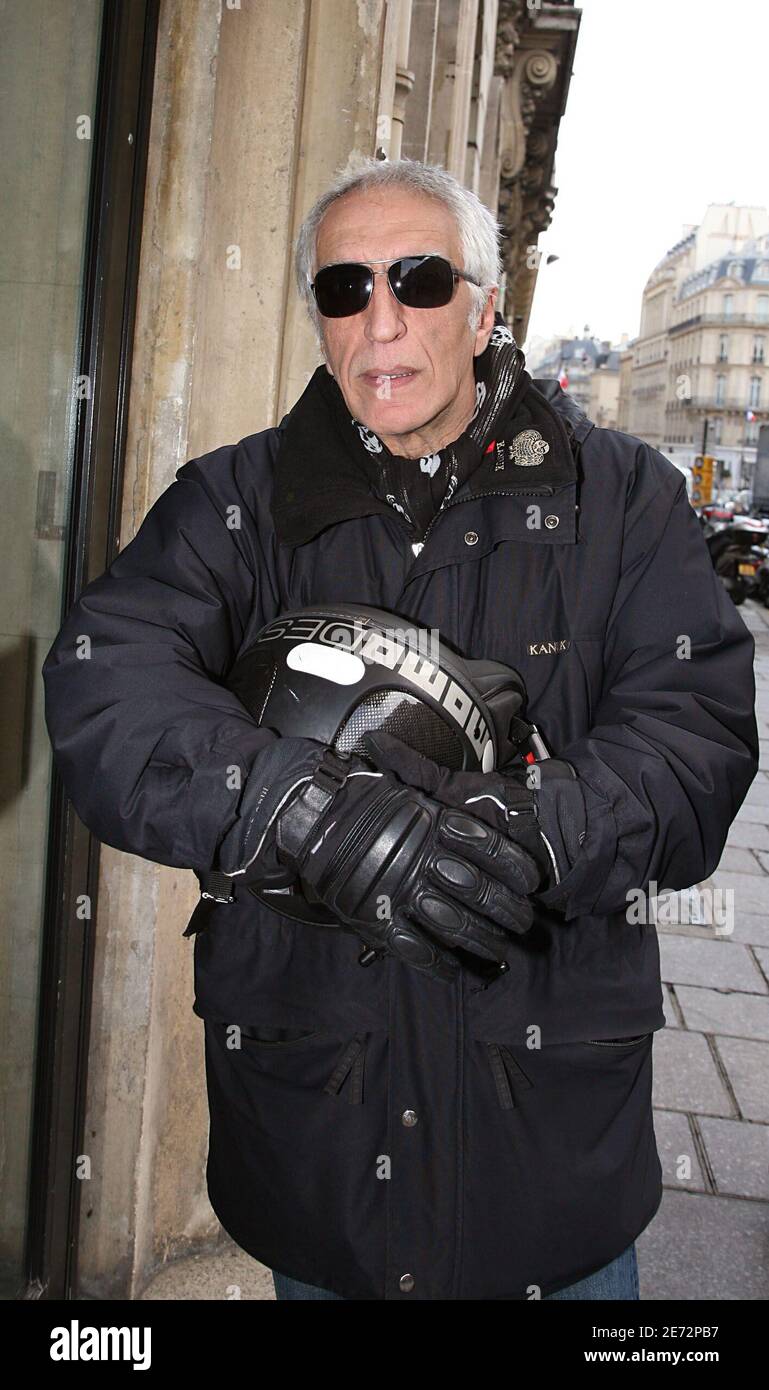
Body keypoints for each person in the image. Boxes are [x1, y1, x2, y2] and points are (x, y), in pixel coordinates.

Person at [42, 157, 759, 1301]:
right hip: (319, 1133)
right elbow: (104, 679)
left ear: (483, 309)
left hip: (547, 1139)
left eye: (421, 281)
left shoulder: (621, 497)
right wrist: (296, 808)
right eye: (343, 288)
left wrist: (530, 838)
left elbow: (698, 737)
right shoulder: (237, 498)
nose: (381, 320)